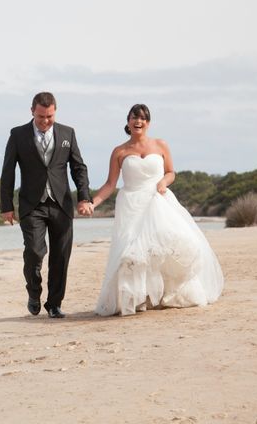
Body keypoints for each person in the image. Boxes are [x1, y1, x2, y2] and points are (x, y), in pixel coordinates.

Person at [90, 104, 224, 316]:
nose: (138, 121)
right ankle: (138, 299)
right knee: (132, 253)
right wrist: (93, 202)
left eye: (143, 118)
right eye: (135, 117)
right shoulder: (120, 151)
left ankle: (168, 294)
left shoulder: (160, 145)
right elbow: (110, 184)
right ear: (128, 121)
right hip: (131, 205)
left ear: (148, 123)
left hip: (158, 201)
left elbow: (171, 172)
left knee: (168, 246)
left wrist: (163, 182)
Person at [0, 91, 93, 318]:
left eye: (49, 116)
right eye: (41, 116)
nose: (45, 121)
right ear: (32, 111)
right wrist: (6, 206)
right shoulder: (18, 134)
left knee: (61, 255)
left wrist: (84, 197)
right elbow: (8, 171)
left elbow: (78, 168)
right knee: (34, 251)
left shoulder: (67, 133)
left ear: (55, 112)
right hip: (32, 204)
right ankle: (34, 292)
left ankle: (54, 304)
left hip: (61, 203)